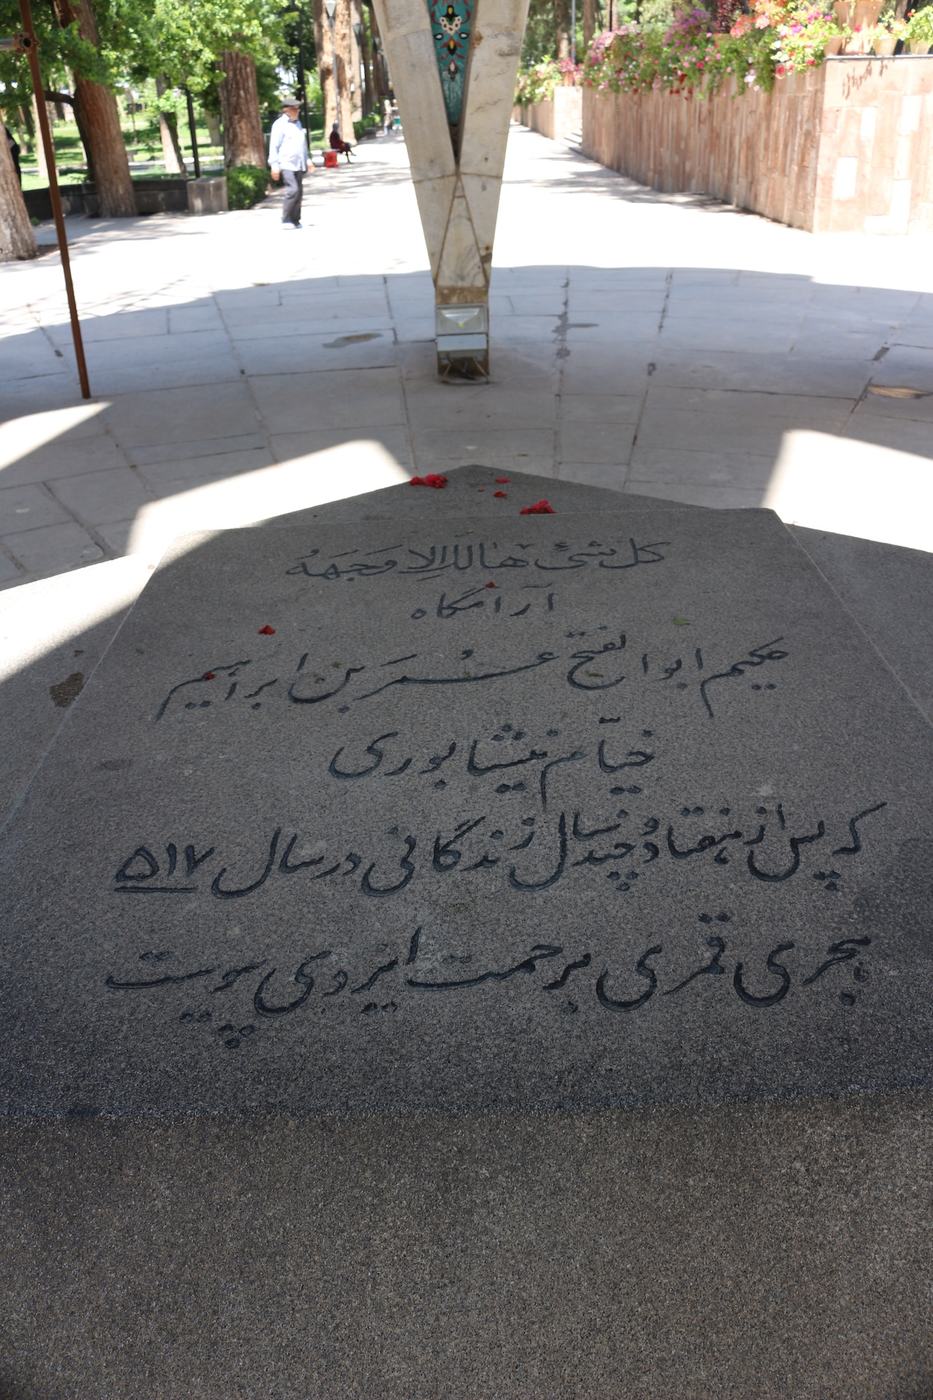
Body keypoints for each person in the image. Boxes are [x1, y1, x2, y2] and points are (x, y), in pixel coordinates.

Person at [268, 98, 308, 227]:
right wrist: (274, 165)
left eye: (298, 109)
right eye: (295, 109)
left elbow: (302, 144)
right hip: (286, 163)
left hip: (298, 163)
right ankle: (285, 219)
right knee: (293, 190)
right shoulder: (279, 125)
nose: (298, 111)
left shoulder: (298, 123)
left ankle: (295, 219)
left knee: (299, 192)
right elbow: (274, 146)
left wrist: (308, 159)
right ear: (286, 110)